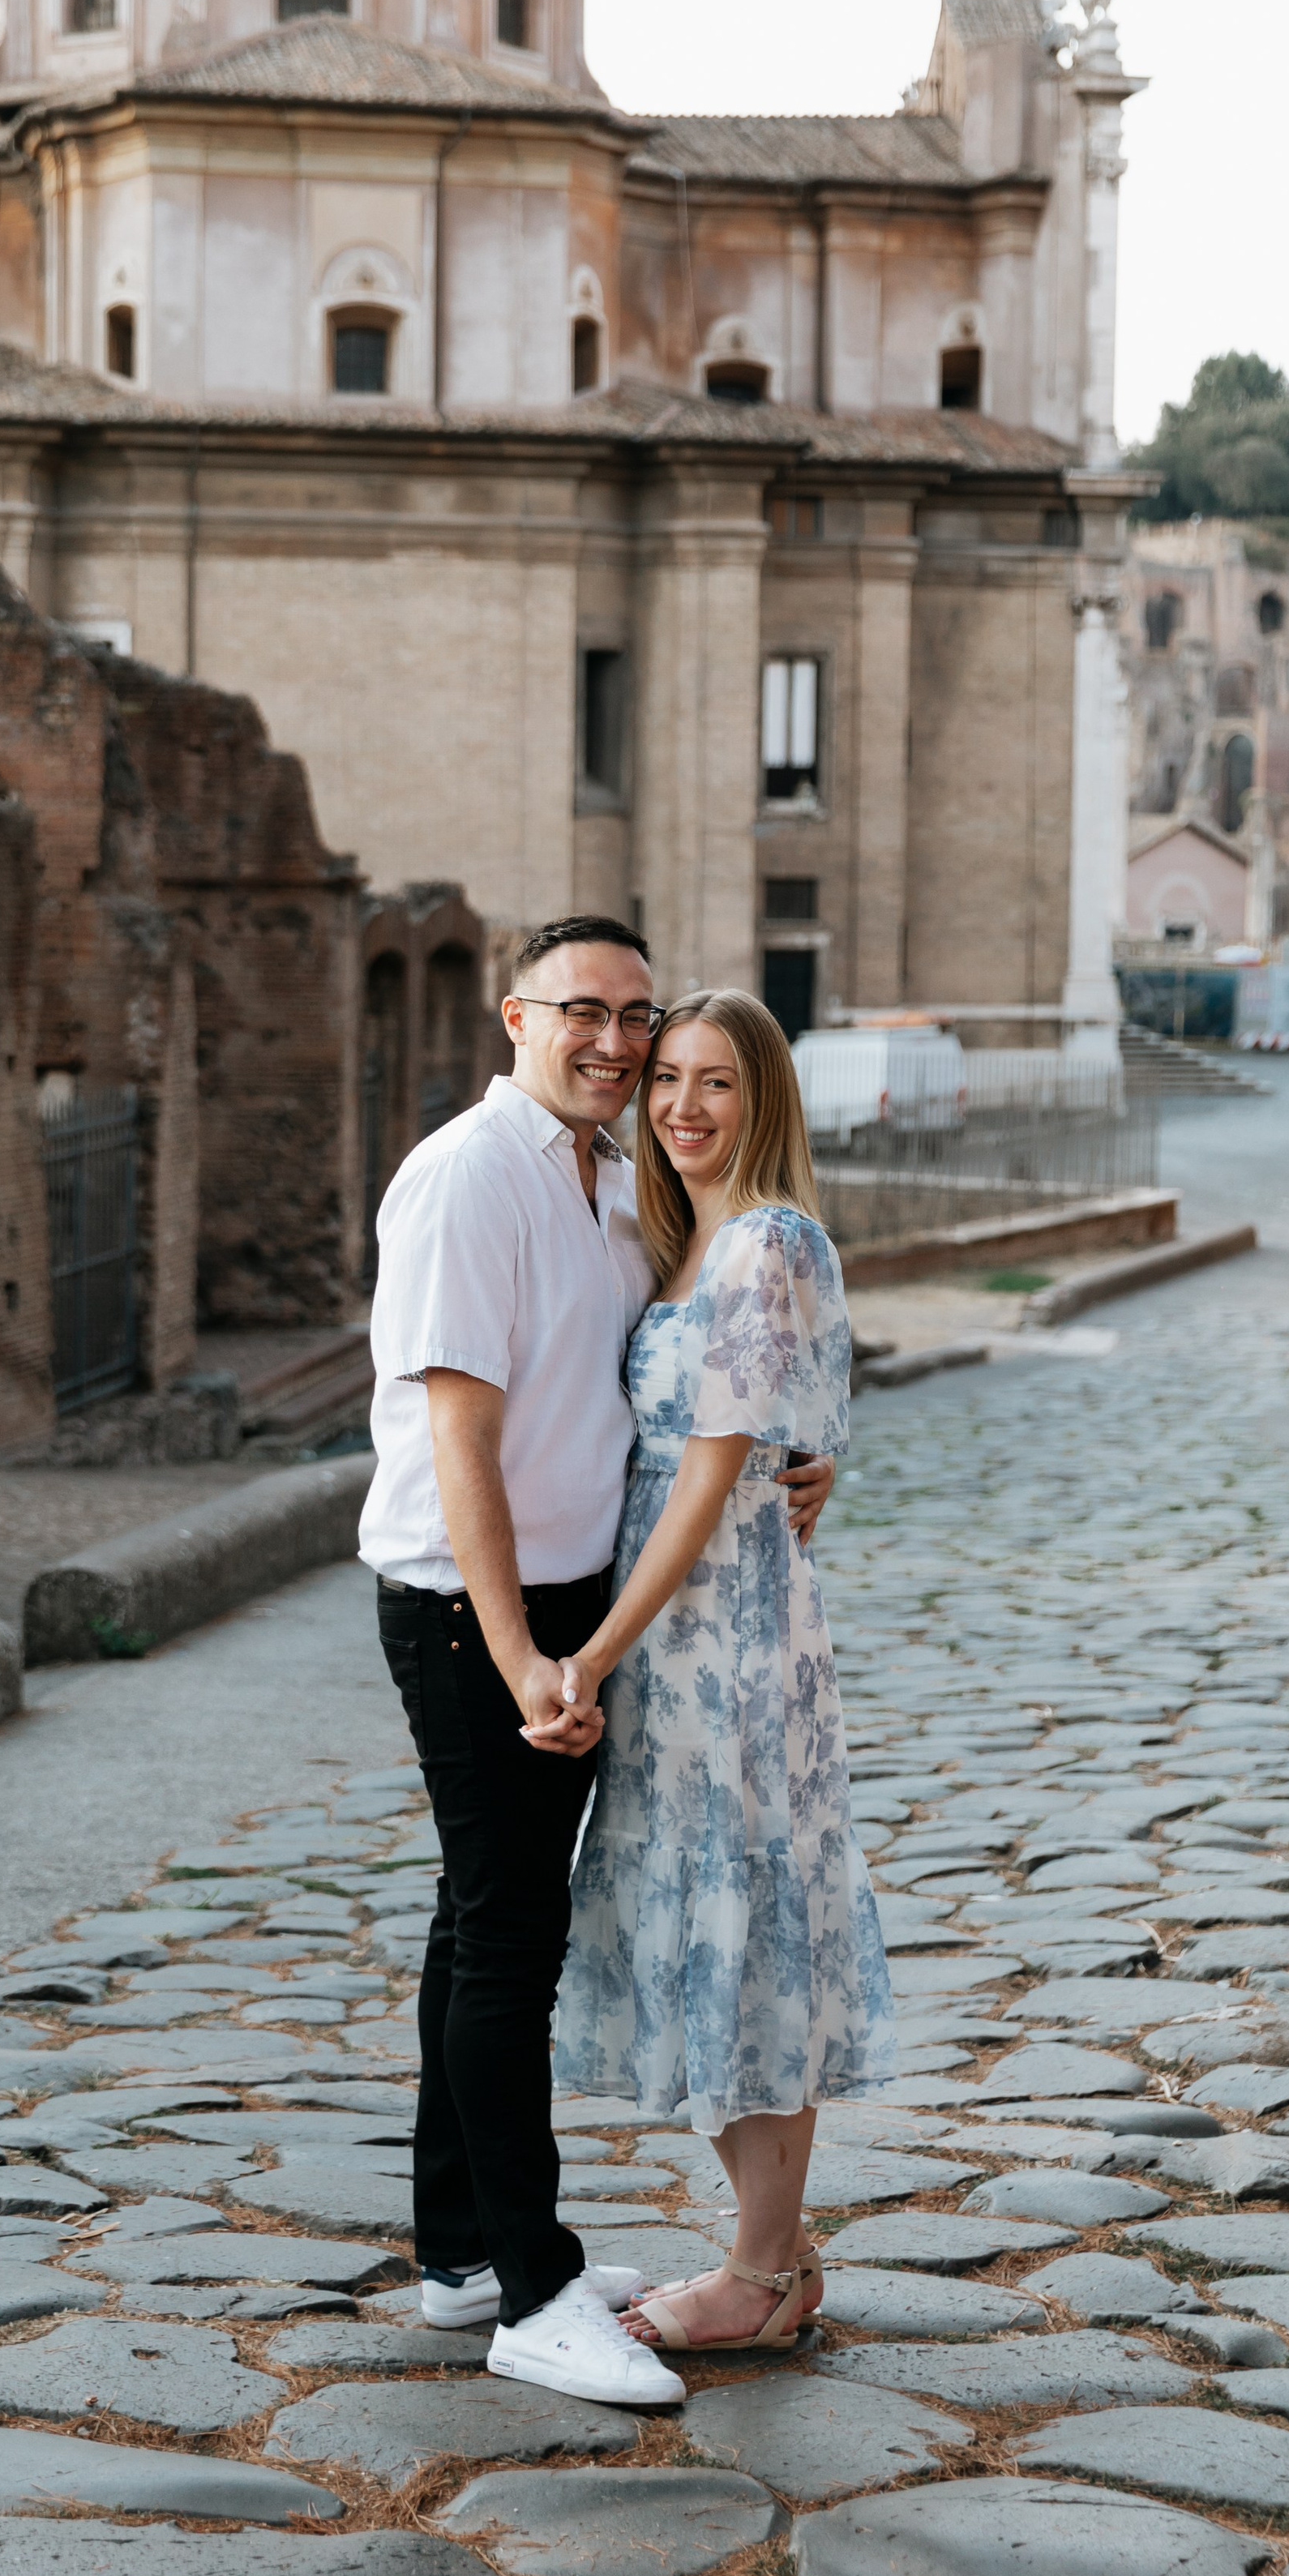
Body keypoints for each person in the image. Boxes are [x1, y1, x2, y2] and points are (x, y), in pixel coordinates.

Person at [359, 919, 833, 2411]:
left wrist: (796, 1462)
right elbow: (460, 1433)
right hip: (477, 1612)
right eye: (588, 1012)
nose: (620, 1046)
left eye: (640, 1018)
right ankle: (534, 2290)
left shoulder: (618, 1186)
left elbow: (703, 1392)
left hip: (578, 1605)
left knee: (477, 1923)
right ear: (517, 1016)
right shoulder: (469, 1175)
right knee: (511, 1940)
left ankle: (460, 2256)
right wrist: (525, 1660)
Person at [552, 986, 895, 2354]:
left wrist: (593, 1652)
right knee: (704, 1921)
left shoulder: (767, 1240)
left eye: (717, 1083)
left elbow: (710, 1477)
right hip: (673, 1636)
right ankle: (777, 2260)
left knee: (748, 1925)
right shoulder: (674, 1243)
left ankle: (759, 2274)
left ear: (764, 1101)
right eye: (668, 1081)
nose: (684, 1107)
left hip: (726, 1637)